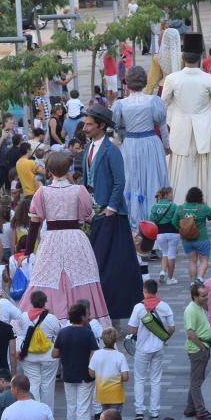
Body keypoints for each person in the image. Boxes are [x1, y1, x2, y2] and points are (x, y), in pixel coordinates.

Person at [20, 150, 109, 320]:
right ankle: (84, 318)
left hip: (51, 239)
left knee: (49, 277)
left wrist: (27, 252)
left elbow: (34, 225)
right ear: (68, 168)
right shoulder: (79, 190)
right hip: (76, 238)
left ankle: (49, 320)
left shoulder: (42, 192)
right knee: (80, 276)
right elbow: (88, 216)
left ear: (49, 170)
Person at [83, 105, 143, 320]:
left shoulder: (112, 150)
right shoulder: (88, 148)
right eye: (85, 123)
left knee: (113, 264)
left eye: (89, 124)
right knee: (97, 262)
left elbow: (120, 182)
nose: (85, 127)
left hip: (111, 215)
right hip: (94, 214)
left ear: (101, 125)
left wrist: (111, 207)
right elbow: (86, 180)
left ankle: (117, 308)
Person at [162, 32, 211, 214]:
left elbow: (163, 103)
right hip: (203, 130)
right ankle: (204, 210)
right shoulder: (210, 80)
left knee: (180, 171)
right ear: (200, 57)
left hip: (179, 129)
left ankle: (178, 208)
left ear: (183, 56)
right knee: (203, 171)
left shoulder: (172, 79)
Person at [112, 65, 169, 228]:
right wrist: (167, 146)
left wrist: (120, 143)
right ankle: (156, 223)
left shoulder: (120, 104)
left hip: (130, 144)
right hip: (151, 142)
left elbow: (116, 129)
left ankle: (134, 225)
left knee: (131, 181)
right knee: (153, 179)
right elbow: (163, 127)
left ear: (127, 84)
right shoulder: (153, 101)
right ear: (144, 82)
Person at [128, 280, 174, 420]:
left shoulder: (138, 308)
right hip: (158, 348)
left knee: (140, 379)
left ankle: (139, 410)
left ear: (144, 290)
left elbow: (133, 329)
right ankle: (154, 411)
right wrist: (163, 338)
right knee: (155, 380)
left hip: (142, 349)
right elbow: (172, 328)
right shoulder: (165, 307)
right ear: (156, 290)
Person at [53, 302, 99, 420]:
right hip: (85, 375)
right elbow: (94, 352)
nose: (89, 316)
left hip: (68, 375)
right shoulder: (87, 332)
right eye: (87, 314)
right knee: (83, 408)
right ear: (82, 317)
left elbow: (55, 354)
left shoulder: (63, 332)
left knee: (72, 406)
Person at [19, 290, 61, 409]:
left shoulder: (24, 317)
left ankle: (34, 410)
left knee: (32, 383)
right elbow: (59, 332)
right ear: (45, 302)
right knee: (48, 385)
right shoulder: (51, 318)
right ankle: (47, 412)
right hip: (49, 356)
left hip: (29, 356)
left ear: (31, 302)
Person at [183, 282, 211, 420]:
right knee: (197, 381)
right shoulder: (191, 310)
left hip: (201, 347)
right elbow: (190, 333)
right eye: (203, 296)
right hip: (198, 349)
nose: (207, 297)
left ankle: (190, 408)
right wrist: (202, 347)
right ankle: (200, 411)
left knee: (196, 379)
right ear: (195, 297)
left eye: (207, 294)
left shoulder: (199, 306)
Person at [173, 186, 211, 282]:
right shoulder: (203, 207)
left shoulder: (180, 208)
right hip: (202, 238)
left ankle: (192, 282)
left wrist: (182, 229)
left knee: (192, 261)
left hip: (186, 240)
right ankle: (200, 278)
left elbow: (174, 221)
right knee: (204, 261)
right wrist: (204, 204)